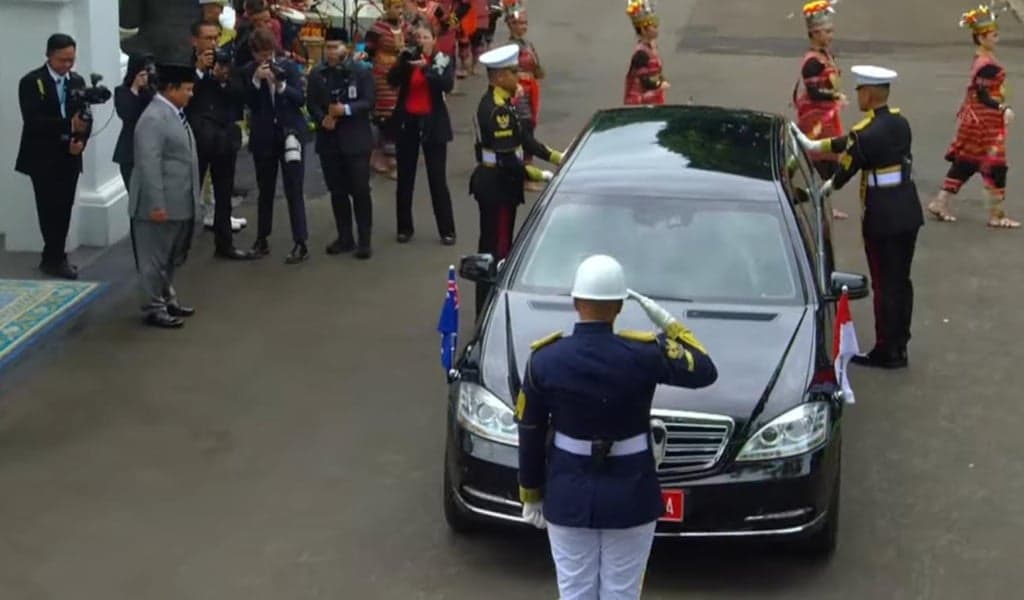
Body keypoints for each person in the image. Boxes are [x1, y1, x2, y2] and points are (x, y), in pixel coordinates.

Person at [516, 254, 718, 599]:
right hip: (631, 493)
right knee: (622, 593)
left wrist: (531, 492)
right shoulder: (644, 354)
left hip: (568, 493)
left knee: (575, 592)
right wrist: (668, 322)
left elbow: (530, 430)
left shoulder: (545, 359)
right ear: (620, 307)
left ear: (576, 302)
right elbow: (704, 369)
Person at [796, 65, 924, 368]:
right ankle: (900, 343)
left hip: (882, 216)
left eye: (859, 91)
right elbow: (852, 140)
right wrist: (816, 145)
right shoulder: (898, 122)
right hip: (907, 209)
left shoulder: (866, 134)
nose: (858, 97)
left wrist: (823, 190)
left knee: (884, 285)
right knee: (901, 281)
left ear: (868, 93)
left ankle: (886, 350)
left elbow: (846, 167)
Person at [471, 44, 563, 313]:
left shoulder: (504, 104)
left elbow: (524, 139)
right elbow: (509, 159)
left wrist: (558, 157)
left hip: (501, 182)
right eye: (513, 72)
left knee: (501, 246)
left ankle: (490, 305)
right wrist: (543, 175)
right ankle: (488, 309)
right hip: (497, 184)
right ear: (499, 77)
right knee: (497, 251)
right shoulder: (496, 111)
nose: (518, 77)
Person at [927, 5, 1019, 229]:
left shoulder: (983, 59)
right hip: (984, 122)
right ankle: (996, 215)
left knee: (968, 162)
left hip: (978, 120)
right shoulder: (986, 65)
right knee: (995, 165)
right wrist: (1002, 107)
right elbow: (983, 94)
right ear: (980, 37)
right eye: (993, 35)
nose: (997, 38)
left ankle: (941, 201)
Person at [15, 33, 93, 280]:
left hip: (69, 155)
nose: (68, 66)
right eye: (62, 60)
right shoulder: (31, 82)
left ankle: (57, 255)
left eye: (71, 60)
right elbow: (33, 120)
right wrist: (67, 125)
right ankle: (53, 256)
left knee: (65, 206)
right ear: (49, 56)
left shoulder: (77, 81)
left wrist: (80, 141)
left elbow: (85, 118)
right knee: (48, 207)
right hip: (42, 156)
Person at [129, 63, 200, 329]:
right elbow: (149, 165)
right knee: (154, 260)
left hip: (179, 202)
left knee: (170, 258)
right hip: (159, 205)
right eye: (187, 90)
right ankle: (153, 307)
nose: (191, 95)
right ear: (170, 89)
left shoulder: (174, 113)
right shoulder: (153, 118)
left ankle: (167, 297)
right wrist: (156, 204)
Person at [189, 19, 257, 260]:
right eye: (207, 38)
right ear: (194, 40)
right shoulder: (185, 66)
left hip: (224, 137)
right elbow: (184, 99)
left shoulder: (228, 62)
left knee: (224, 192)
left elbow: (241, 95)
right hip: (197, 138)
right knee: (190, 191)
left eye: (216, 37)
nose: (213, 43)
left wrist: (222, 79)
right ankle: (181, 245)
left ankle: (224, 244)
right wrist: (200, 72)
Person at [243, 27, 311, 264]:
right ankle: (262, 239)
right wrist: (255, 81)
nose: (265, 59)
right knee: (266, 191)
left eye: (268, 53)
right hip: (264, 137)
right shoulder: (249, 72)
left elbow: (301, 99)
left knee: (294, 189)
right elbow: (246, 102)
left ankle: (300, 242)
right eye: (260, 55)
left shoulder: (289, 67)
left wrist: (280, 86)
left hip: (290, 133)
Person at [308, 28, 377, 259]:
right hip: (329, 142)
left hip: (356, 141)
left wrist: (345, 110)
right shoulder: (318, 73)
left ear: (346, 48)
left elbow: (368, 101)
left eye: (335, 47)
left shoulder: (360, 72)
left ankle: (364, 239)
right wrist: (322, 118)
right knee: (337, 192)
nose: (330, 52)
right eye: (327, 47)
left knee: (359, 190)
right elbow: (312, 104)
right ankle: (345, 237)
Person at [387, 25, 458, 245]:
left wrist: (426, 67)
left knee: (437, 179)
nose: (421, 40)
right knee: (405, 178)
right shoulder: (409, 58)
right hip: (407, 122)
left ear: (434, 40)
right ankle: (404, 227)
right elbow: (392, 81)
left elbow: (446, 84)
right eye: (418, 37)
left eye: (425, 37)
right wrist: (402, 63)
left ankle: (447, 230)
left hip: (433, 124)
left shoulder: (442, 59)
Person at [793, 0, 849, 220]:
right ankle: (817, 201)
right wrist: (835, 95)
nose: (830, 35)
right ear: (814, 33)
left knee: (828, 161)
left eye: (831, 31)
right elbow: (814, 91)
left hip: (827, 116)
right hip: (817, 118)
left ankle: (820, 201)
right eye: (826, 31)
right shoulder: (812, 62)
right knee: (824, 161)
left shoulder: (825, 56)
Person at [503, 0, 546, 192]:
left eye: (525, 23)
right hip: (519, 92)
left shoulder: (528, 44)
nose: (524, 27)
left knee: (529, 127)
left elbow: (537, 67)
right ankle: (524, 175)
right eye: (520, 23)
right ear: (511, 25)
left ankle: (525, 172)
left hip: (531, 91)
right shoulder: (510, 48)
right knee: (524, 129)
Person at [364, 0, 409, 178]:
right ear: (386, 8)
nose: (399, 11)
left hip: (401, 73)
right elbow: (368, 50)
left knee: (398, 114)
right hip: (382, 75)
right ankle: (388, 159)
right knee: (385, 116)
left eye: (401, 7)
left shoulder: (406, 27)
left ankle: (383, 154)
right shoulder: (377, 29)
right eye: (396, 7)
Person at [113, 54, 156, 189]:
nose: (145, 79)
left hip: (148, 148)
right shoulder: (122, 92)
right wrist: (134, 89)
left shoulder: (149, 93)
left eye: (146, 75)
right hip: (129, 150)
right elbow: (127, 114)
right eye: (141, 75)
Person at [624, 0, 668, 106]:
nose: (656, 29)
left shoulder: (651, 48)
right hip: (642, 102)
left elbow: (656, 73)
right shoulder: (641, 54)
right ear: (644, 30)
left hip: (654, 100)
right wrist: (659, 84)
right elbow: (645, 80)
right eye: (653, 26)